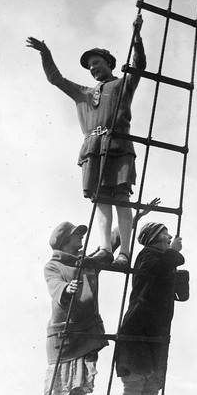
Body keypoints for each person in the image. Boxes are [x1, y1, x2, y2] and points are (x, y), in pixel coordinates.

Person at [26, 15, 147, 270]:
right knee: (102, 200)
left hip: (118, 146)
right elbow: (56, 79)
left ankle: (124, 252)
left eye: (96, 63)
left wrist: (136, 38)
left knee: (122, 199)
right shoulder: (82, 93)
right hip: (93, 150)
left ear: (108, 63)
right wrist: (45, 53)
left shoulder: (122, 84)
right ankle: (105, 249)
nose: (92, 68)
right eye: (89, 66)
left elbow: (139, 65)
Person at [113, 221, 185, 395]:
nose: (169, 237)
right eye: (164, 234)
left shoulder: (164, 259)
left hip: (156, 337)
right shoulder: (147, 256)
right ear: (154, 237)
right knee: (132, 392)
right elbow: (155, 269)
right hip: (138, 334)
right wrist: (173, 254)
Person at [44, 221, 109, 395]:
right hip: (63, 337)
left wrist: (132, 221)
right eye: (76, 236)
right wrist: (66, 288)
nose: (81, 238)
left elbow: (110, 242)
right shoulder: (53, 265)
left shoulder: (87, 263)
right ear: (63, 241)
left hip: (86, 335)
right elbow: (54, 286)